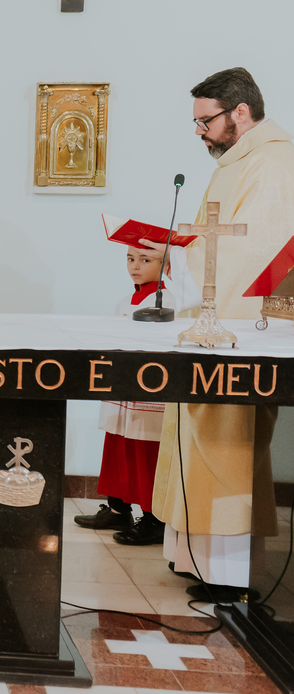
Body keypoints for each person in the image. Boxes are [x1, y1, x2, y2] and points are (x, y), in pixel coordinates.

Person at [138, 67, 294, 598]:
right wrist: (176, 249)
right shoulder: (237, 161)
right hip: (212, 323)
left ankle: (227, 573)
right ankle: (193, 558)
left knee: (227, 445)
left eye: (206, 120)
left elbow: (255, 252)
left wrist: (178, 258)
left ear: (241, 113)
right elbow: (215, 235)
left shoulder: (273, 162)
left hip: (241, 327)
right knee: (197, 438)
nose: (200, 131)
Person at [74, 246, 196, 545]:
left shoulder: (170, 298)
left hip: (151, 389)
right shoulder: (125, 300)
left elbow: (188, 301)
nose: (135, 266)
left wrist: (175, 260)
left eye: (145, 259)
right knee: (118, 445)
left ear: (165, 264)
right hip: (125, 384)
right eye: (130, 259)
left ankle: (154, 518)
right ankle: (118, 508)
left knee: (146, 451)